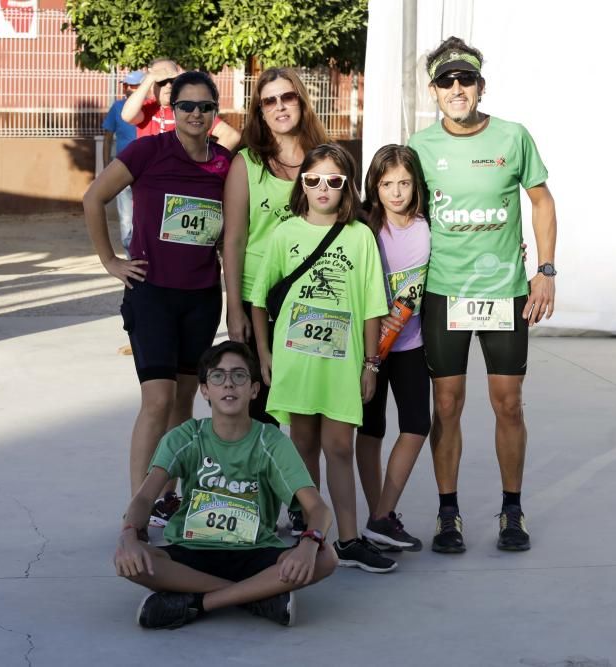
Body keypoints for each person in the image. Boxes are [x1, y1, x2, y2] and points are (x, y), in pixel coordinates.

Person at [408, 37, 557, 553]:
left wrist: (545, 270)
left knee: (508, 404)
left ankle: (511, 510)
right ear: (433, 90)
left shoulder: (513, 137)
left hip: (505, 293)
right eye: (446, 81)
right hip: (443, 293)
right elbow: (404, 211)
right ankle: (448, 514)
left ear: (480, 86)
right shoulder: (420, 145)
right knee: (446, 405)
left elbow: (541, 201)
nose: (456, 89)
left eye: (464, 79)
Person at [83, 71, 233, 525]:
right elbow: (94, 198)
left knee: (185, 400)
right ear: (171, 110)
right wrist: (111, 261)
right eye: (186, 106)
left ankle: (173, 495)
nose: (195, 114)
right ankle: (138, 508)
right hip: (151, 296)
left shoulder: (225, 163)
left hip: (202, 297)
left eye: (205, 107)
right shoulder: (148, 150)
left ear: (214, 112)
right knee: (156, 399)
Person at [115, 341, 338, 630]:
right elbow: (145, 498)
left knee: (326, 558)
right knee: (130, 560)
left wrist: (309, 543)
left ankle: (198, 602)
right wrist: (130, 536)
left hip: (254, 551)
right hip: (192, 549)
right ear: (205, 390)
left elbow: (318, 508)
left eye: (239, 375)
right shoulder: (187, 436)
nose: (228, 384)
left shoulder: (270, 441)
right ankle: (257, 595)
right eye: (217, 376)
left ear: (254, 389)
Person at [250, 144, 398, 573]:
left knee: (339, 447)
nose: (322, 188)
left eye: (333, 180)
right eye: (312, 179)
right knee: (302, 446)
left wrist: (371, 364)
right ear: (301, 184)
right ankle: (311, 534)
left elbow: (373, 305)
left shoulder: (359, 236)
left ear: (346, 185)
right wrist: (264, 352)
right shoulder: (285, 233)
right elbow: (259, 299)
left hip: (341, 363)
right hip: (296, 361)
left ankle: (349, 539)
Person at [223, 67, 329, 428]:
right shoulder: (246, 164)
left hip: (315, 302)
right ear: (260, 111)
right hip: (260, 304)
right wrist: (233, 307)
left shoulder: (324, 161)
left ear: (301, 101)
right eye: (270, 101)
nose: (280, 107)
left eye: (287, 97)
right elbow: (234, 240)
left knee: (308, 419)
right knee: (260, 414)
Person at [355, 145, 431, 553]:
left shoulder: (428, 224)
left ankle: (382, 515)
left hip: (412, 342)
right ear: (375, 186)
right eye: (387, 184)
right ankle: (377, 516)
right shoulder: (365, 225)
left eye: (404, 183)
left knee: (417, 424)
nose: (397, 192)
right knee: (371, 429)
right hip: (371, 346)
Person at [120, 58, 240, 150]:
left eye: (173, 80)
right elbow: (127, 115)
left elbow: (231, 136)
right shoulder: (147, 109)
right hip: (149, 179)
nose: (168, 85)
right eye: (161, 81)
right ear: (152, 85)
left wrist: (206, 166)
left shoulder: (192, 109)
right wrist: (150, 78)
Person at [102, 70, 144, 257]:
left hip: (146, 170)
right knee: (126, 215)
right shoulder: (117, 107)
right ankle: (131, 254)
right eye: (127, 85)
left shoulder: (151, 108)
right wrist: (106, 166)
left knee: (146, 213)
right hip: (123, 168)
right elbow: (108, 136)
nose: (128, 89)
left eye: (133, 85)